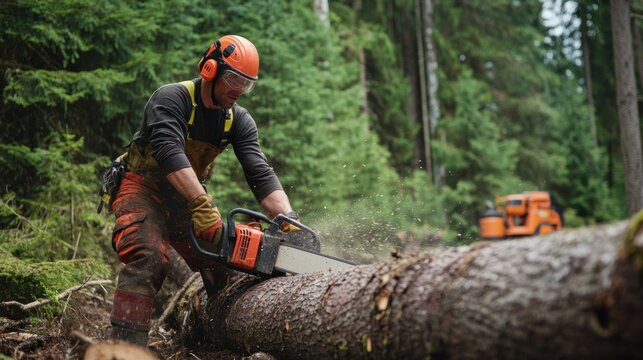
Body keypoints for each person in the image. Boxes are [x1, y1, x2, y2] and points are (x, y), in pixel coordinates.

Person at [108, 35, 299, 346]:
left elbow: (260, 173)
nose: (239, 89)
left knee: (223, 263)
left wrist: (288, 219)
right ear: (211, 69)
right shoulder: (172, 99)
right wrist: (201, 204)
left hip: (184, 198)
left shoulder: (238, 120)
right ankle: (124, 347)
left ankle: (214, 336)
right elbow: (169, 151)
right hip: (142, 187)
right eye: (234, 79)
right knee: (148, 256)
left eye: (247, 84)